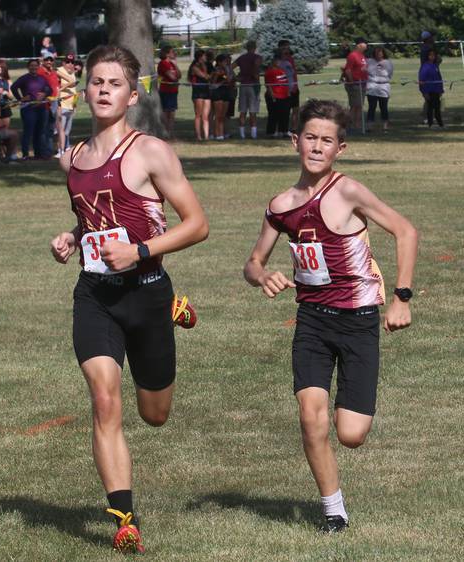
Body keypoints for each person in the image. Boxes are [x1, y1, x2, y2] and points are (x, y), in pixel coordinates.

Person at [50, 44, 208, 554]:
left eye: (114, 83)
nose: (102, 90)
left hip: (147, 293)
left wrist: (138, 250)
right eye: (96, 81)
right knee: (103, 399)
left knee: (155, 414)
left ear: (131, 94)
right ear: (86, 88)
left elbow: (197, 225)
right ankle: (124, 516)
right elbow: (95, 214)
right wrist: (73, 237)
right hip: (95, 295)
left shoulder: (150, 152)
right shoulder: (72, 157)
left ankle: (174, 309)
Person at [243, 98, 418, 533]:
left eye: (327, 140)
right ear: (294, 141)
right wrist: (261, 275)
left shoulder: (348, 191)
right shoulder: (280, 205)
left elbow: (406, 230)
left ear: (340, 148)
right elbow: (252, 262)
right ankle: (333, 509)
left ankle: (341, 472)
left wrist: (401, 297)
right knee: (310, 414)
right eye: (310, 138)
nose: (317, 147)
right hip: (312, 321)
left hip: (358, 321)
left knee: (351, 434)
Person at [11, 59, 52, 159]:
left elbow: (50, 89)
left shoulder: (42, 78)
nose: (34, 67)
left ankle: (38, 153)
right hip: (28, 109)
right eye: (31, 66)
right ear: (28, 67)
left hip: (41, 108)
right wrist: (20, 99)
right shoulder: (24, 78)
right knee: (28, 131)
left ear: (38, 67)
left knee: (39, 131)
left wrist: (44, 94)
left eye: (35, 66)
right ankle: (25, 154)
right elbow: (13, 87)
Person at [234, 40, 262, 140]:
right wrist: (254, 75)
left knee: (242, 111)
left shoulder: (242, 58)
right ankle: (253, 134)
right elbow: (255, 68)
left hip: (243, 86)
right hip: (253, 85)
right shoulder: (257, 57)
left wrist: (236, 77)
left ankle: (242, 134)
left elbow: (231, 66)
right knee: (253, 111)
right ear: (255, 48)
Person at [56, 55, 80, 156]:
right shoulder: (59, 71)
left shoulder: (72, 74)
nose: (70, 64)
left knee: (67, 131)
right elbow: (57, 87)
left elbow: (74, 91)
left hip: (71, 105)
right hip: (62, 105)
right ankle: (59, 150)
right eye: (67, 62)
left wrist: (75, 105)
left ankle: (66, 148)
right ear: (63, 63)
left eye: (72, 62)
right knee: (60, 129)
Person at [365, 46, 393, 132]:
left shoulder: (388, 63)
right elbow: (365, 70)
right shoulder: (369, 61)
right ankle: (369, 127)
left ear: (383, 53)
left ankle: (385, 126)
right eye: (377, 52)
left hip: (383, 87)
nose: (378, 54)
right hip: (372, 87)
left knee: (383, 107)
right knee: (372, 107)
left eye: (380, 52)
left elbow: (390, 74)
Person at [264, 51, 291, 138]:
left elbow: (285, 82)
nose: (280, 63)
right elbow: (268, 85)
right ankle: (271, 132)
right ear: (274, 61)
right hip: (275, 96)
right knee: (274, 115)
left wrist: (288, 92)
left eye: (280, 61)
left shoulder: (281, 71)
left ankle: (283, 131)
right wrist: (272, 96)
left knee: (285, 114)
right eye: (278, 61)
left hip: (284, 96)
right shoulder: (270, 72)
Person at [343, 38, 368, 131]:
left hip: (362, 84)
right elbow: (348, 70)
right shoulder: (352, 55)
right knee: (354, 105)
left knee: (359, 105)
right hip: (355, 84)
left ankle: (357, 124)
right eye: (365, 43)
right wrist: (352, 81)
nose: (366, 45)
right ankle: (348, 125)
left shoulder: (362, 55)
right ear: (359, 44)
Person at [37, 56, 60, 156]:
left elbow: (57, 87)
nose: (49, 62)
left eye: (51, 60)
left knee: (51, 127)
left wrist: (58, 99)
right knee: (43, 127)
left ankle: (50, 149)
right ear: (43, 61)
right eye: (47, 60)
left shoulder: (54, 72)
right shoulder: (39, 72)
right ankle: (43, 150)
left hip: (54, 102)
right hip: (44, 102)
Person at [157, 45, 181, 138]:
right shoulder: (163, 63)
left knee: (172, 112)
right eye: (172, 52)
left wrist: (175, 64)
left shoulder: (172, 64)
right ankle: (166, 132)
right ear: (166, 54)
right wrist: (175, 78)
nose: (174, 53)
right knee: (167, 113)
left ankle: (170, 132)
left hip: (174, 91)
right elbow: (173, 78)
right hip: (166, 91)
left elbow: (179, 76)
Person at [188, 50, 211, 141]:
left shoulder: (206, 65)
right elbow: (205, 76)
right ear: (200, 57)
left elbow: (210, 77)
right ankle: (198, 136)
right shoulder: (194, 67)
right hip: (198, 92)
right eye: (204, 56)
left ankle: (206, 136)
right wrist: (206, 70)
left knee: (205, 116)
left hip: (206, 92)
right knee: (198, 115)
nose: (206, 58)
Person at [278, 40, 300, 132]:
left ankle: (294, 129)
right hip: (284, 89)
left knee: (295, 109)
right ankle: (283, 129)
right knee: (284, 111)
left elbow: (293, 73)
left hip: (294, 87)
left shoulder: (291, 58)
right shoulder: (277, 61)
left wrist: (295, 86)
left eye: (288, 47)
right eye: (284, 47)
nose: (287, 49)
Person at [418, 49, 444, 128]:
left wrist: (441, 89)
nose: (432, 57)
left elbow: (439, 78)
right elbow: (421, 79)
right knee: (430, 108)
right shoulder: (425, 66)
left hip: (436, 90)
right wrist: (424, 92)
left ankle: (440, 124)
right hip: (429, 91)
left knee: (437, 108)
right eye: (430, 55)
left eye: (433, 55)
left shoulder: (435, 66)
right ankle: (430, 123)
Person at [209, 53, 230, 141]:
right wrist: (217, 75)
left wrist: (225, 73)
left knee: (222, 115)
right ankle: (217, 134)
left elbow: (228, 80)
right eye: (225, 61)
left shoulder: (225, 70)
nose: (226, 63)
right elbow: (213, 82)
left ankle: (221, 133)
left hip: (225, 92)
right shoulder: (215, 70)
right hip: (217, 93)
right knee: (218, 115)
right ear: (219, 62)